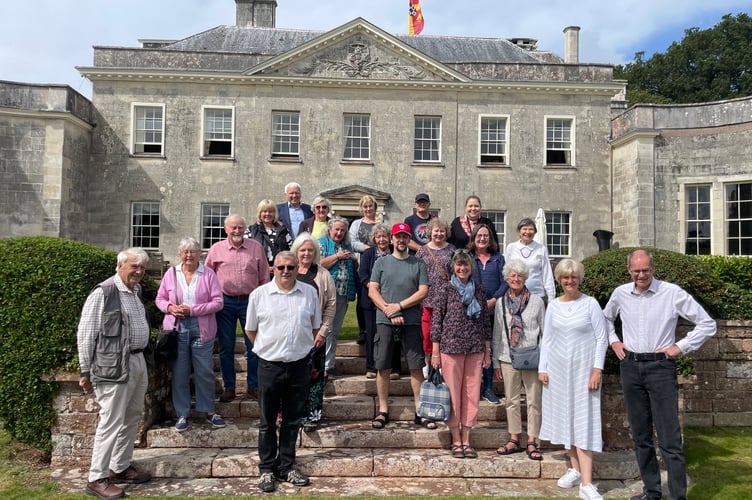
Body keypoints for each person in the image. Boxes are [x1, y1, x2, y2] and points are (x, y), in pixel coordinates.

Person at [603, 249, 716, 500]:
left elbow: (708, 324)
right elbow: (605, 320)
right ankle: (652, 493)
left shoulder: (672, 293)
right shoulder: (620, 293)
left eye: (645, 270)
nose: (641, 275)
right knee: (641, 436)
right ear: (629, 269)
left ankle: (677, 497)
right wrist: (614, 342)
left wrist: (680, 347)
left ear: (653, 269)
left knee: (670, 440)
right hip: (630, 367)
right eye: (636, 270)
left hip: (661, 368)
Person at [77, 248, 153, 499]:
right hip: (112, 365)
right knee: (110, 420)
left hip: (138, 359)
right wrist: (85, 370)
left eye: (142, 267)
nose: (139, 272)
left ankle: (119, 467)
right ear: (120, 265)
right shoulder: (104, 292)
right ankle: (96, 477)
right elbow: (86, 332)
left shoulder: (135, 291)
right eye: (134, 266)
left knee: (132, 415)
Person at [245, 251, 321, 493]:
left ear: (297, 267)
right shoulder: (259, 295)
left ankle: (286, 466)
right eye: (281, 267)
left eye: (290, 267)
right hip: (270, 366)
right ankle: (267, 469)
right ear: (273, 268)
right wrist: (269, 349)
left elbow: (315, 326)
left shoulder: (309, 293)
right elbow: (250, 330)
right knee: (267, 422)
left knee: (292, 421)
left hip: (299, 365)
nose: (286, 271)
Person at [539, 259, 608, 500]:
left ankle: (587, 484)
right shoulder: (554, 306)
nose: (570, 281)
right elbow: (546, 339)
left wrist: (597, 369)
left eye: (574, 277)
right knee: (565, 420)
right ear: (559, 280)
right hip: (557, 373)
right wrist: (542, 368)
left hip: (583, 373)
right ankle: (576, 470)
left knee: (583, 423)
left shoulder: (590, 304)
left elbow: (602, 338)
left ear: (579, 279)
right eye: (566, 277)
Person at [156, 238, 226, 432]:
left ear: (199, 254)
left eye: (193, 252)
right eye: (185, 252)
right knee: (180, 371)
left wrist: (192, 310)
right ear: (180, 254)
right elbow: (160, 299)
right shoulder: (171, 273)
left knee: (204, 370)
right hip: (177, 328)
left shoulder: (208, 274)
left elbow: (218, 302)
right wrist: (169, 307)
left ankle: (209, 410)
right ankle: (182, 413)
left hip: (201, 327)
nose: (189, 255)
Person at [368, 222, 430, 430]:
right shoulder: (381, 263)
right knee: (383, 366)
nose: (401, 240)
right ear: (392, 239)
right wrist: (390, 310)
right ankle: (383, 410)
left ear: (408, 239)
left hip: (411, 320)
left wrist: (400, 306)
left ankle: (420, 410)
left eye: (405, 236)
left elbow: (423, 291)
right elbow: (373, 291)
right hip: (385, 320)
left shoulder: (418, 263)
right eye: (398, 236)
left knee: (415, 366)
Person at [430, 251, 492, 459]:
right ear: (454, 267)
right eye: (459, 265)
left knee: (472, 394)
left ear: (471, 267)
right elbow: (436, 321)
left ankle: (467, 438)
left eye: (466, 265)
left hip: (475, 348)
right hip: (450, 348)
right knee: (453, 395)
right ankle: (456, 438)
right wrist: (435, 352)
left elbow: (485, 323)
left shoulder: (479, 291)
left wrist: (487, 351)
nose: (462, 269)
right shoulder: (445, 289)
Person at [205, 214, 270, 402]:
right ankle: (229, 387)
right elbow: (208, 277)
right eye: (233, 227)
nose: (237, 231)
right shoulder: (216, 249)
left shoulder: (256, 248)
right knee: (226, 346)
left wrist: (262, 300)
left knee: (254, 346)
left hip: (250, 302)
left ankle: (253, 386)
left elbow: (264, 276)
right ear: (226, 229)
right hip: (225, 303)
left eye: (240, 227)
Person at [493, 259, 545, 461]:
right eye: (512, 275)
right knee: (512, 401)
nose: (516, 279)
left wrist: (544, 361)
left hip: (532, 357)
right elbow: (497, 332)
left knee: (534, 401)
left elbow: (545, 332)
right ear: (506, 278)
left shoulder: (537, 301)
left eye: (520, 275)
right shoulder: (500, 303)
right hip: (508, 357)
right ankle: (514, 438)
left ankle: (533, 440)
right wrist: (496, 361)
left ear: (525, 278)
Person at [291, 232, 336, 432]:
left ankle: (312, 414)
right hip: (291, 335)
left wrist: (323, 331)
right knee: (291, 376)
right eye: (303, 250)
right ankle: (292, 413)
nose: (307, 253)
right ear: (296, 252)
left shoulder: (323, 274)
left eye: (310, 250)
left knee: (314, 376)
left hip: (316, 334)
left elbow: (331, 305)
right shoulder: (288, 271)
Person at [468, 223, 508, 405]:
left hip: (494, 310)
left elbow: (505, 282)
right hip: (471, 310)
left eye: (486, 235)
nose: (483, 238)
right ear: (474, 238)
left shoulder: (499, 259)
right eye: (479, 235)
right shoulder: (468, 257)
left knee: (489, 349)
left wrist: (493, 300)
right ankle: (473, 387)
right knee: (473, 350)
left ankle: (489, 388)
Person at [359, 224, 402, 379]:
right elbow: (363, 274)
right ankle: (371, 367)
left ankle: (395, 367)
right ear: (374, 239)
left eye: (384, 236)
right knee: (372, 335)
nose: (382, 239)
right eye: (378, 236)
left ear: (390, 237)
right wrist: (372, 286)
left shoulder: (395, 253)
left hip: (393, 299)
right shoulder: (369, 253)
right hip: (372, 301)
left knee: (394, 335)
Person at [318, 216, 358, 377]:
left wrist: (354, 259)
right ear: (330, 229)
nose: (339, 232)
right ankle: (320, 365)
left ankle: (329, 365)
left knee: (334, 331)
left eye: (342, 230)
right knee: (325, 329)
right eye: (337, 229)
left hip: (342, 292)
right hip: (326, 293)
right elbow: (318, 264)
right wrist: (337, 256)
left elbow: (353, 267)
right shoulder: (321, 243)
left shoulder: (346, 245)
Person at [415, 218, 455, 371]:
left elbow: (456, 273)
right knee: (427, 332)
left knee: (444, 331)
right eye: (436, 231)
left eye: (442, 231)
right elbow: (416, 273)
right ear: (430, 232)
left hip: (446, 298)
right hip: (427, 297)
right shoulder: (422, 251)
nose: (439, 234)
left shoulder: (452, 250)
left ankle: (440, 363)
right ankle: (427, 361)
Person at [349, 195, 380, 345]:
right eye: (365, 206)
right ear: (362, 208)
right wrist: (367, 248)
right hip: (362, 265)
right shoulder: (356, 223)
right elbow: (352, 242)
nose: (368, 209)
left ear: (375, 207)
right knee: (362, 298)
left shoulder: (381, 223)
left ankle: (378, 328)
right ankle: (363, 330)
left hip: (379, 264)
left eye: (370, 206)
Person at [504, 217, 556, 302]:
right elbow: (506, 272)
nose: (527, 232)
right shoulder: (511, 247)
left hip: (537, 295)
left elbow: (547, 274)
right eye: (524, 229)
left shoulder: (541, 249)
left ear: (535, 232)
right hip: (515, 295)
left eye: (531, 229)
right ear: (519, 232)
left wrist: (551, 297)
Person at [245, 199, 293, 274]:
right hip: (257, 272)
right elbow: (245, 252)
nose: (267, 214)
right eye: (264, 211)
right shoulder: (251, 230)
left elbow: (291, 249)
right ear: (260, 213)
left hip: (280, 271)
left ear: (275, 214)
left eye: (271, 211)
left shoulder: (283, 230)